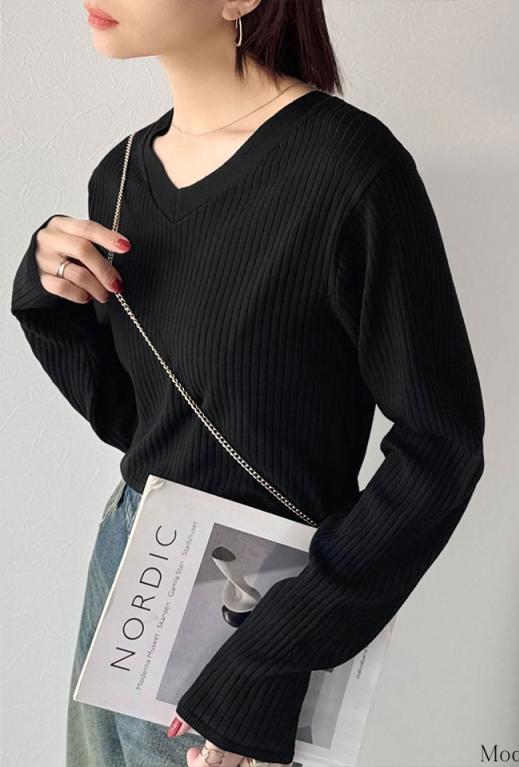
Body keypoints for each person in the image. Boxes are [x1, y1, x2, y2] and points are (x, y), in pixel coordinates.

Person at [10, 0, 486, 765]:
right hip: (129, 567)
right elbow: (143, 423)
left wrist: (271, 658)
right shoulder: (120, 175)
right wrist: (48, 294)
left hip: (254, 609)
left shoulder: (350, 170)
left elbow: (442, 446)